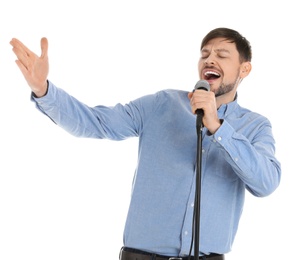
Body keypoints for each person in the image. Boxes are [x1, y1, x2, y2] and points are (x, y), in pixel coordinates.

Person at [10, 27, 281, 260]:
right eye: (205, 54)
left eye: (222, 55)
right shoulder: (161, 104)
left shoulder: (256, 126)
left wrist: (217, 127)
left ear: (244, 69)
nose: (210, 60)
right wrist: (42, 89)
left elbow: (266, 183)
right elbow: (94, 122)